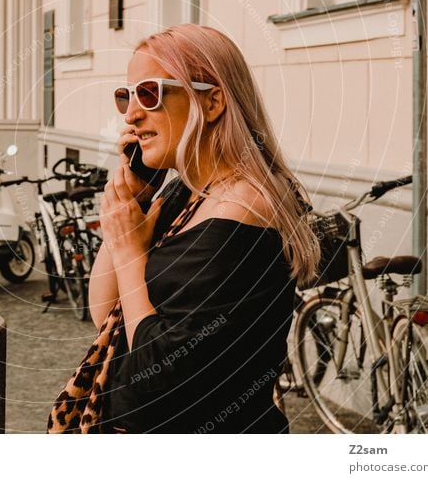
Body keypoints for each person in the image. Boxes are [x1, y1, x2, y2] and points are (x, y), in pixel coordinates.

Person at [51, 24, 319, 434]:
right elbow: (107, 314)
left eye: (149, 93)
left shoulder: (240, 213)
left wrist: (129, 252)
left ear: (212, 103)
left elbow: (160, 374)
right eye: (126, 96)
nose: (131, 114)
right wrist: (132, 199)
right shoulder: (185, 194)